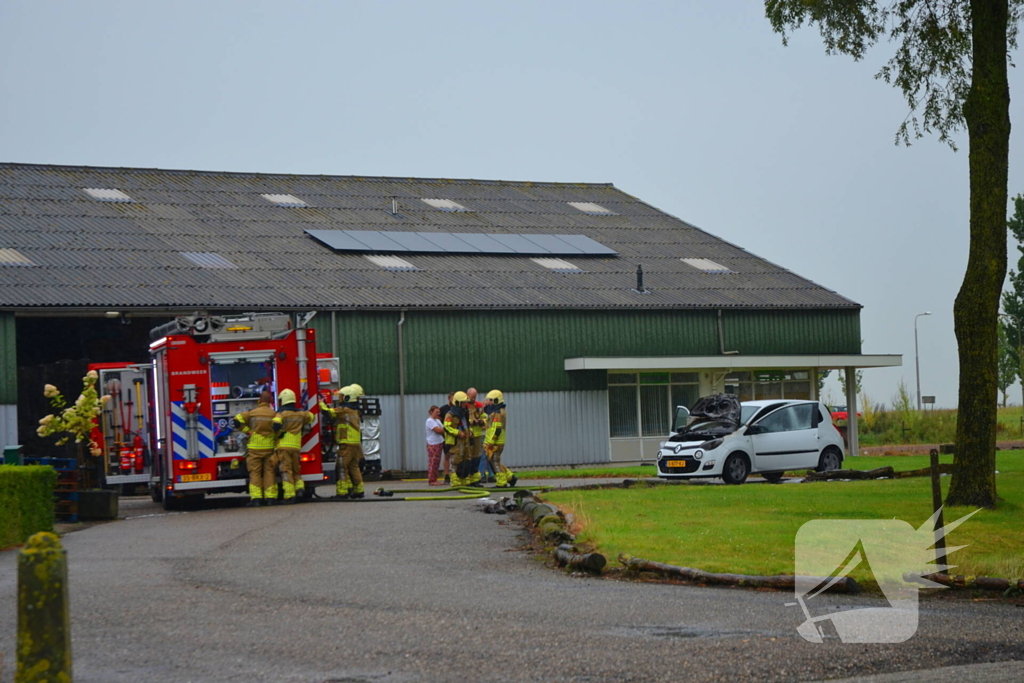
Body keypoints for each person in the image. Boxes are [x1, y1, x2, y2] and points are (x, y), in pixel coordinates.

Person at [320, 384, 366, 499]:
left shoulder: (344, 410)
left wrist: (320, 403)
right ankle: (359, 490)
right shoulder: (354, 411)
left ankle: (342, 492)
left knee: (341, 466)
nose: (340, 399)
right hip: (354, 444)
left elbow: (328, 412)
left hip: (346, 443)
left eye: (341, 396)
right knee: (353, 467)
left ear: (347, 398)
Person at [234, 391, 278, 506]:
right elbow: (279, 428)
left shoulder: (252, 413)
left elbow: (236, 421)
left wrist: (247, 431)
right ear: (270, 402)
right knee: (269, 472)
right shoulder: (274, 414)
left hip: (254, 447)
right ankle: (271, 498)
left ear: (259, 401)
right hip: (269, 447)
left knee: (255, 473)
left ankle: (256, 499)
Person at [272, 388, 314, 504]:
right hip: (296, 447)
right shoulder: (301, 414)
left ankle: (289, 495)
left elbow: (275, 425)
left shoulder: (281, 414)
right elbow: (311, 417)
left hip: (284, 447)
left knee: (286, 471)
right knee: (296, 470)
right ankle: (300, 489)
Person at [485, 389, 517, 488]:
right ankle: (510, 477)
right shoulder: (496, 411)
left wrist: (491, 441)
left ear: (495, 400)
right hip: (496, 441)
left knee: (494, 461)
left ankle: (501, 482)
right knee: (496, 460)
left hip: (496, 442)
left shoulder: (498, 413)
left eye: (490, 400)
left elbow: (497, 429)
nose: (488, 402)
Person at [444, 391, 471, 487]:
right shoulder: (450, 414)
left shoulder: (463, 413)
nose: (465, 404)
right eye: (463, 402)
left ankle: (463, 479)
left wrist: (469, 432)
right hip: (456, 441)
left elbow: (465, 424)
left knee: (465, 459)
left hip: (465, 440)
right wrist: (458, 433)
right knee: (456, 460)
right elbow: (446, 427)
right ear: (458, 402)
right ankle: (455, 480)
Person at [465, 387, 487, 486]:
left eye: (475, 397)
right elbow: (463, 420)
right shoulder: (464, 405)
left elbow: (484, 416)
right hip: (469, 435)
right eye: (472, 397)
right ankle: (467, 479)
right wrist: (471, 422)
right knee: (468, 457)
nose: (473, 399)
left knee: (477, 457)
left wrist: (482, 421)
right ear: (467, 395)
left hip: (478, 434)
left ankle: (475, 479)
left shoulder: (478, 405)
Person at [425, 405, 445, 486]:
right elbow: (439, 430)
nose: (438, 414)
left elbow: (443, 429)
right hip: (433, 444)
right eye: (436, 412)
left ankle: (435, 479)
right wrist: (443, 430)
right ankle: (432, 480)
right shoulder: (430, 421)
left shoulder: (437, 421)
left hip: (439, 442)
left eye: (439, 412)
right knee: (433, 462)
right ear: (431, 412)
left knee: (437, 462)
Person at [439, 392, 455, 483]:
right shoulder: (443, 409)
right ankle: (446, 475)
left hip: (456, 435)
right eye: (453, 399)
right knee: (447, 455)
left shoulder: (458, 409)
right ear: (449, 399)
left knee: (455, 455)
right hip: (446, 436)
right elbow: (438, 421)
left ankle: (455, 474)